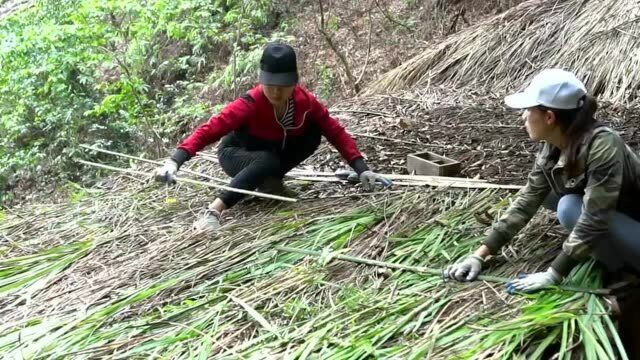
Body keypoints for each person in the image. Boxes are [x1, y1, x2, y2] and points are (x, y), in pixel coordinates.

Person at [154, 43, 391, 232]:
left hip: (274, 153)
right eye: (270, 84)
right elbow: (209, 130)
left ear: (294, 82)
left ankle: (270, 182)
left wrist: (362, 168)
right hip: (236, 154)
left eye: (284, 85)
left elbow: (335, 131)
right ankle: (213, 211)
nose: (276, 91)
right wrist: (174, 161)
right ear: (261, 80)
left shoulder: (306, 103)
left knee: (312, 135)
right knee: (265, 161)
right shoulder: (249, 104)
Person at [446, 69, 640, 293]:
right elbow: (528, 198)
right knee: (548, 191)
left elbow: (594, 219)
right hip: (615, 217)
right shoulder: (553, 145)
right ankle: (607, 253)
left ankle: (620, 268)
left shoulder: (603, 145)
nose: (523, 117)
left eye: (528, 110)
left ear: (549, 117)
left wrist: (554, 273)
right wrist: (480, 255)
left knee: (569, 209)